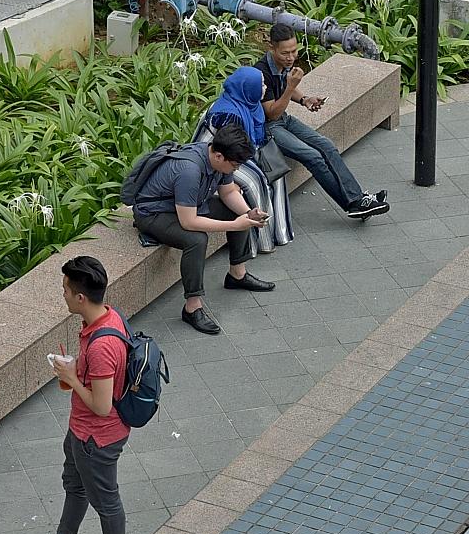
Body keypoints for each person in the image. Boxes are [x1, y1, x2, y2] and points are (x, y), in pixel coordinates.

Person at [28, 256, 136, 534]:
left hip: (97, 438)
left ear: (80, 298)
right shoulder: (109, 316)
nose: (62, 294)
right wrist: (77, 370)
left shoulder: (103, 345)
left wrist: (71, 378)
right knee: (75, 486)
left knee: (106, 500)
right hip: (82, 431)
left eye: (65, 289)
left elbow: (102, 406)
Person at [130, 123, 275, 335]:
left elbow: (227, 193)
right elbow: (189, 222)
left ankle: (237, 275)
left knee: (239, 213)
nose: (236, 169)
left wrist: (248, 213)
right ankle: (192, 307)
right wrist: (235, 225)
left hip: (186, 206)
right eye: (234, 165)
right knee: (196, 240)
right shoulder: (189, 171)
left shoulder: (220, 159)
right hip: (154, 214)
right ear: (218, 156)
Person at [256, 24, 390, 219]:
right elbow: (272, 113)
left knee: (326, 145)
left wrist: (304, 99)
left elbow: (287, 87)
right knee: (313, 157)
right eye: (285, 53)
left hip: (284, 119)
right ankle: (353, 204)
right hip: (268, 127)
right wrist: (292, 85)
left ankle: (359, 198)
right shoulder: (261, 73)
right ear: (272, 48)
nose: (291, 57)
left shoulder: (284, 64)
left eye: (294, 51)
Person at [200, 65, 294, 253]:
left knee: (276, 174)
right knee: (256, 182)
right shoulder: (230, 113)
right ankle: (259, 243)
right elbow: (230, 150)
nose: (265, 88)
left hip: (241, 154)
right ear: (248, 87)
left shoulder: (249, 103)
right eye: (261, 85)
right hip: (219, 158)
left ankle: (280, 233)